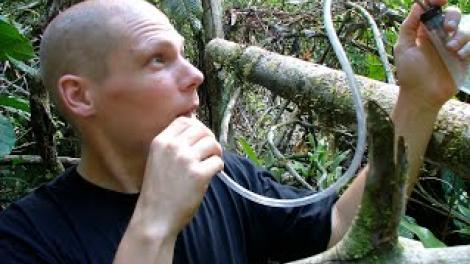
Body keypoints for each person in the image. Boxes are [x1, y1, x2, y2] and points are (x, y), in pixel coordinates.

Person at [0, 0, 468, 263]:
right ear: (81, 96)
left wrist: (420, 99)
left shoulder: (226, 177)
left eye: (185, 55)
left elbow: (342, 230)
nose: (195, 74)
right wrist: (154, 225)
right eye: (157, 59)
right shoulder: (24, 240)